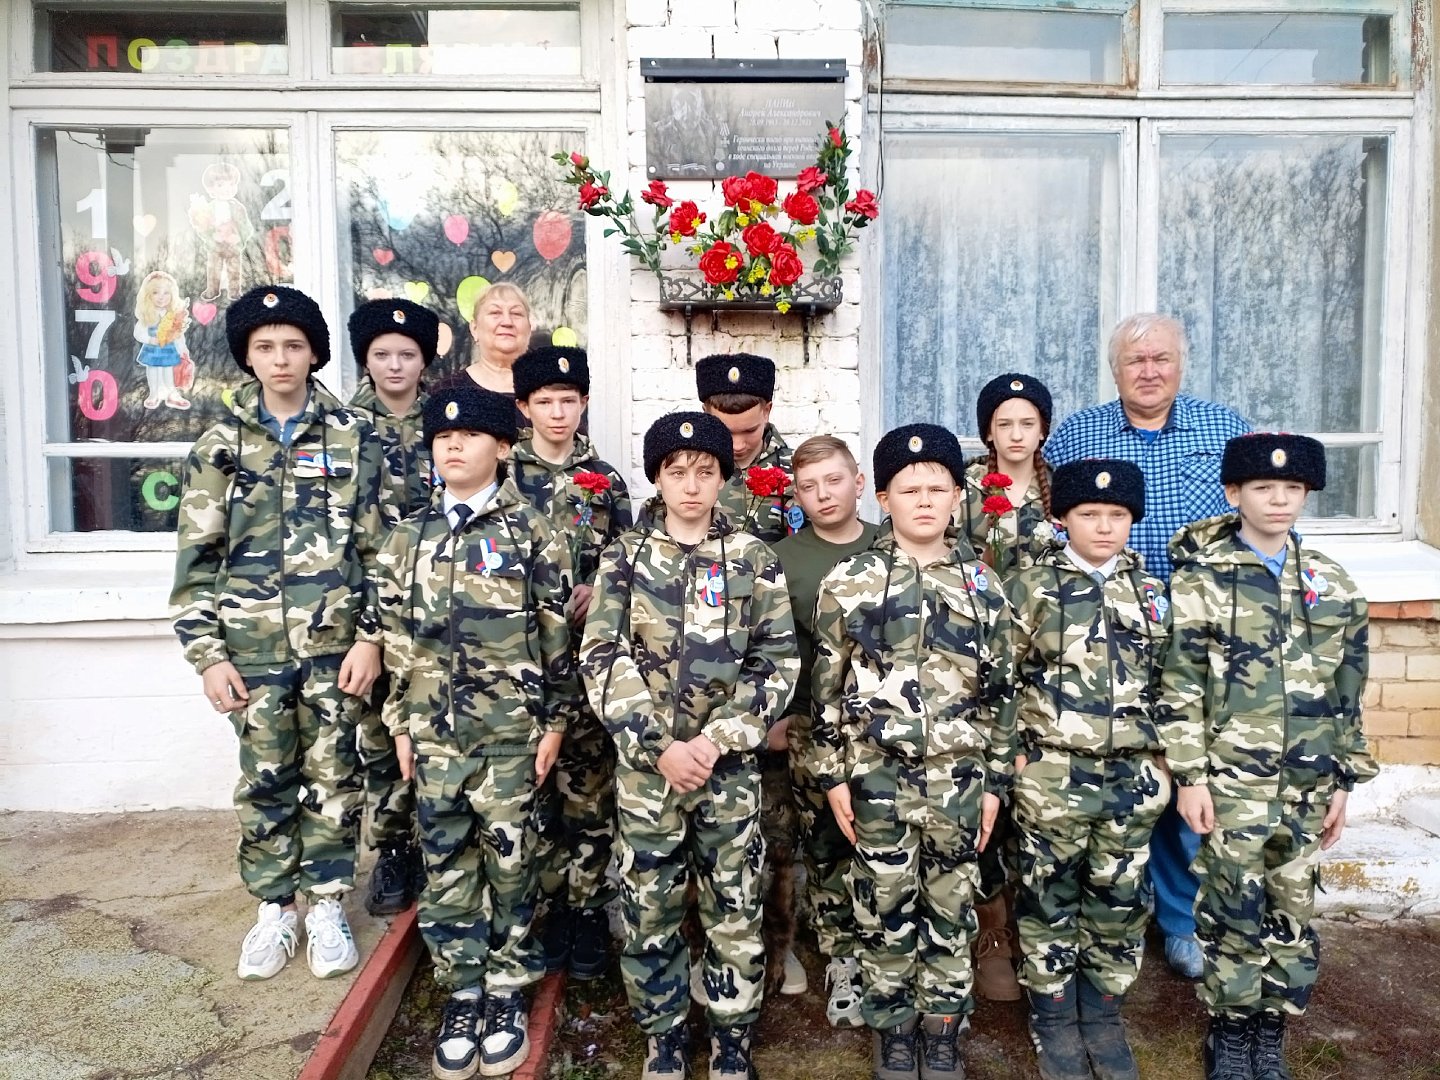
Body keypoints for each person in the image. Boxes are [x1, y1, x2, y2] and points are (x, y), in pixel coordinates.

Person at [172, 284, 385, 982]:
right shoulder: (220, 445)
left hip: (335, 648)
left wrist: (371, 638)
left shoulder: (354, 437)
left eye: (294, 345)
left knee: (334, 776)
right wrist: (208, 657)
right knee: (265, 781)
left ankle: (326, 904)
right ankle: (275, 907)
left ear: (315, 352)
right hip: (251, 650)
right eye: (264, 347)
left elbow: (383, 550)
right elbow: (196, 562)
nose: (281, 358)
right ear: (247, 356)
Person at [580, 411, 798, 1080]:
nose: (692, 484)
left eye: (706, 471)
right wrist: (657, 746)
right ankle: (664, 1035)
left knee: (734, 905)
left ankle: (733, 1038)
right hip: (650, 775)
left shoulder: (753, 559)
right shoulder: (625, 557)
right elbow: (602, 653)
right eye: (677, 472)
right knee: (651, 908)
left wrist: (715, 739)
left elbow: (776, 659)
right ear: (657, 478)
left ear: (723, 477)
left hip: (725, 772)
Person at [376, 381, 580, 1080]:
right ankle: (463, 991)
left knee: (513, 864)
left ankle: (507, 989)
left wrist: (555, 722)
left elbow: (556, 638)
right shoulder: (407, 537)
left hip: (511, 736)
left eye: (468, 436)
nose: (454, 446)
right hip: (434, 736)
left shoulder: (534, 533)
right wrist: (401, 724)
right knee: (448, 867)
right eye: (442, 437)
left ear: (501, 446)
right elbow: (396, 642)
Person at [1161, 434, 1376, 1080]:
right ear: (1234, 493)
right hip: (1231, 780)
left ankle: (1269, 1030)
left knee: (1292, 906)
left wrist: (1343, 780)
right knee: (1231, 905)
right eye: (1262, 487)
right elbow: (1180, 685)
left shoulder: (1330, 583)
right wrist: (1190, 777)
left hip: (1307, 781)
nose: (1278, 499)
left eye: (1292, 488)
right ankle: (1229, 1032)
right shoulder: (1202, 579)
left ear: (1306, 495)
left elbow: (1348, 689)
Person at [1044, 313, 1251, 979]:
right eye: (1136, 360)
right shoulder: (1077, 435)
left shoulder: (1224, 429)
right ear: (1116, 370)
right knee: (1126, 772)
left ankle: (1184, 921)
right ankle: (1116, 915)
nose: (1150, 370)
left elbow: (1253, 521)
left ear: (1180, 364)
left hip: (1200, 633)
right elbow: (1052, 525)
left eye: (1161, 358)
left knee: (1188, 770)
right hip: (1106, 632)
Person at [811, 424, 1015, 1080]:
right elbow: (825, 691)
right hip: (877, 780)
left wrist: (994, 784)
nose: (924, 500)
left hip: (958, 782)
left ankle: (942, 1026)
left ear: (958, 496)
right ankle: (894, 1027)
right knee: (884, 906)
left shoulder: (983, 587)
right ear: (882, 498)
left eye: (937, 488)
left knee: (951, 907)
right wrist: (833, 777)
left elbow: (1002, 696)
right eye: (908, 489)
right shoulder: (850, 581)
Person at [1005, 459, 1170, 1080]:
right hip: (1053, 774)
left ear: (1132, 520)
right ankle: (1052, 1017)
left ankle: (1102, 1013)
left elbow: (1175, 684)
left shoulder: (1151, 594)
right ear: (1062, 518)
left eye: (1117, 515)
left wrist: (1166, 760)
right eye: (1089, 514)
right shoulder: (1031, 587)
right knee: (1048, 895)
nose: (1104, 527)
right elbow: (1001, 676)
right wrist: (1018, 755)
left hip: (1132, 777)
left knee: (1119, 898)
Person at [507, 344, 633, 980]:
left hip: (587, 662)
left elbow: (630, 558)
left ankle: (587, 912)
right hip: (522, 660)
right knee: (533, 791)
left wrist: (600, 587)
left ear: (584, 403)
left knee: (588, 791)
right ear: (523, 406)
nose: (558, 413)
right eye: (545, 401)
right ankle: (549, 906)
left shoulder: (605, 479)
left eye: (568, 400)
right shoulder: (503, 471)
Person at [772, 435, 879, 1026]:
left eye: (834, 481)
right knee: (828, 842)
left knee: (883, 838)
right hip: (816, 726)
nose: (823, 495)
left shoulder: (890, 545)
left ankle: (886, 952)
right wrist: (784, 715)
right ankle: (841, 956)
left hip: (888, 731)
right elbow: (777, 648)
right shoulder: (781, 559)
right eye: (808, 487)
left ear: (858, 482)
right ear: (796, 496)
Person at [957, 372, 1056, 1003]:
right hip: (976, 664)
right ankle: (990, 931)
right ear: (987, 431)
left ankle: (1037, 933)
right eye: (1004, 424)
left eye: (1027, 423)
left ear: (1042, 430)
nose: (1016, 435)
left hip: (1044, 669)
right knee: (984, 794)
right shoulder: (963, 489)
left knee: (1034, 799)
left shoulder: (1060, 491)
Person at [347, 297, 441, 918]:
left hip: (437, 599)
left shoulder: (450, 421)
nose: (395, 365)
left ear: (424, 360)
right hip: (366, 601)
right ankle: (392, 847)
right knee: (380, 731)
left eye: (407, 354)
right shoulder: (343, 426)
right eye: (382, 354)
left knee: (433, 722)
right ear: (366, 359)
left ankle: (436, 844)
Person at [697, 352, 803, 545]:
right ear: (706, 414)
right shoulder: (688, 470)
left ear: (766, 411)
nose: (738, 445)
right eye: (726, 431)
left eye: (750, 430)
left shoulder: (798, 468)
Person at [440, 282, 535, 437]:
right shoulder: (446, 391)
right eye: (495, 312)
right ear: (474, 328)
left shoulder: (551, 392)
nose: (507, 322)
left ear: (529, 329)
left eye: (516, 314)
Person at [133, 269, 193, 411]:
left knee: (168, 370)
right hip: (152, 349)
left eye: (166, 293)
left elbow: (178, 335)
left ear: (172, 296)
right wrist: (149, 339)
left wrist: (182, 349)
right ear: (148, 295)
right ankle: (153, 393)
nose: (161, 297)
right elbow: (138, 333)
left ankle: (172, 393)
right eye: (156, 293)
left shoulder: (173, 316)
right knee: (152, 370)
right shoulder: (148, 316)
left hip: (168, 349)